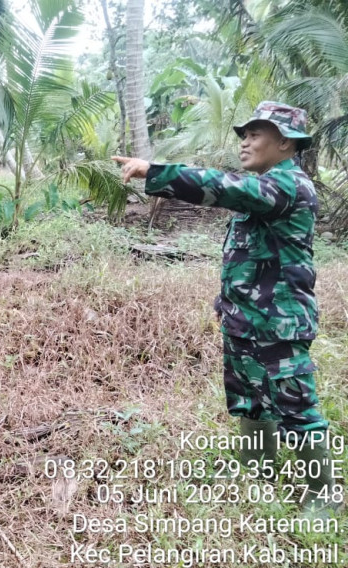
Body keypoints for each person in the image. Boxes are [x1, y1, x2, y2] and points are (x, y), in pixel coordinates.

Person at [113, 101, 340, 519]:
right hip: (245, 320)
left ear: (286, 142)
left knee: (295, 407)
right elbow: (248, 255)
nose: (245, 142)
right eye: (243, 135)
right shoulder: (265, 186)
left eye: (256, 134)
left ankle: (323, 496)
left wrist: (156, 171)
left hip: (279, 324)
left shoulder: (287, 185)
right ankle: (258, 471)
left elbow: (226, 186)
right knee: (251, 400)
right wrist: (227, 304)